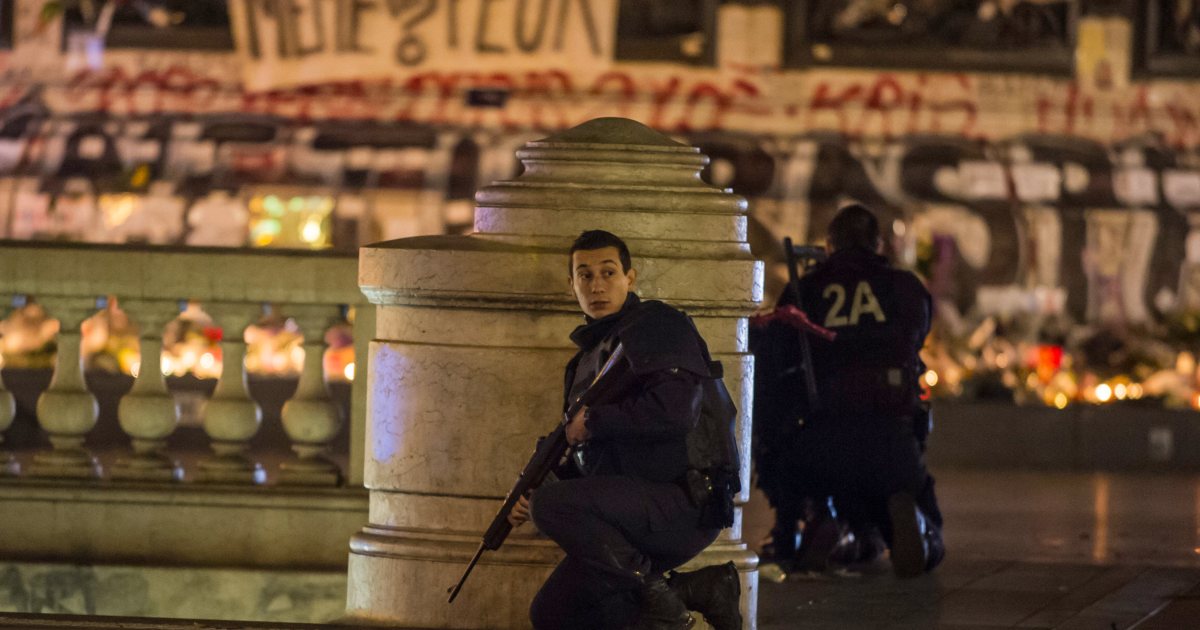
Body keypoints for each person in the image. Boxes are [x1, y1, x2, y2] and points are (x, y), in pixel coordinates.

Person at [507, 230, 742, 630]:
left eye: (608, 272)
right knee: (553, 612)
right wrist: (533, 492)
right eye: (584, 275)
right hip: (627, 510)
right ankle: (695, 591)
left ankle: (665, 603)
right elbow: (593, 457)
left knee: (553, 505)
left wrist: (594, 422)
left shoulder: (657, 324)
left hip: (685, 500)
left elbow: (675, 412)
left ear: (630, 278)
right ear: (572, 286)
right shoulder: (583, 362)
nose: (596, 285)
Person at [755, 203, 944, 578]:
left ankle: (820, 522)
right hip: (892, 438)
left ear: (829, 245)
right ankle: (911, 525)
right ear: (878, 244)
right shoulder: (904, 286)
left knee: (825, 482)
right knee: (908, 507)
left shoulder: (805, 289)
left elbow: (779, 361)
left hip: (819, 439)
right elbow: (916, 339)